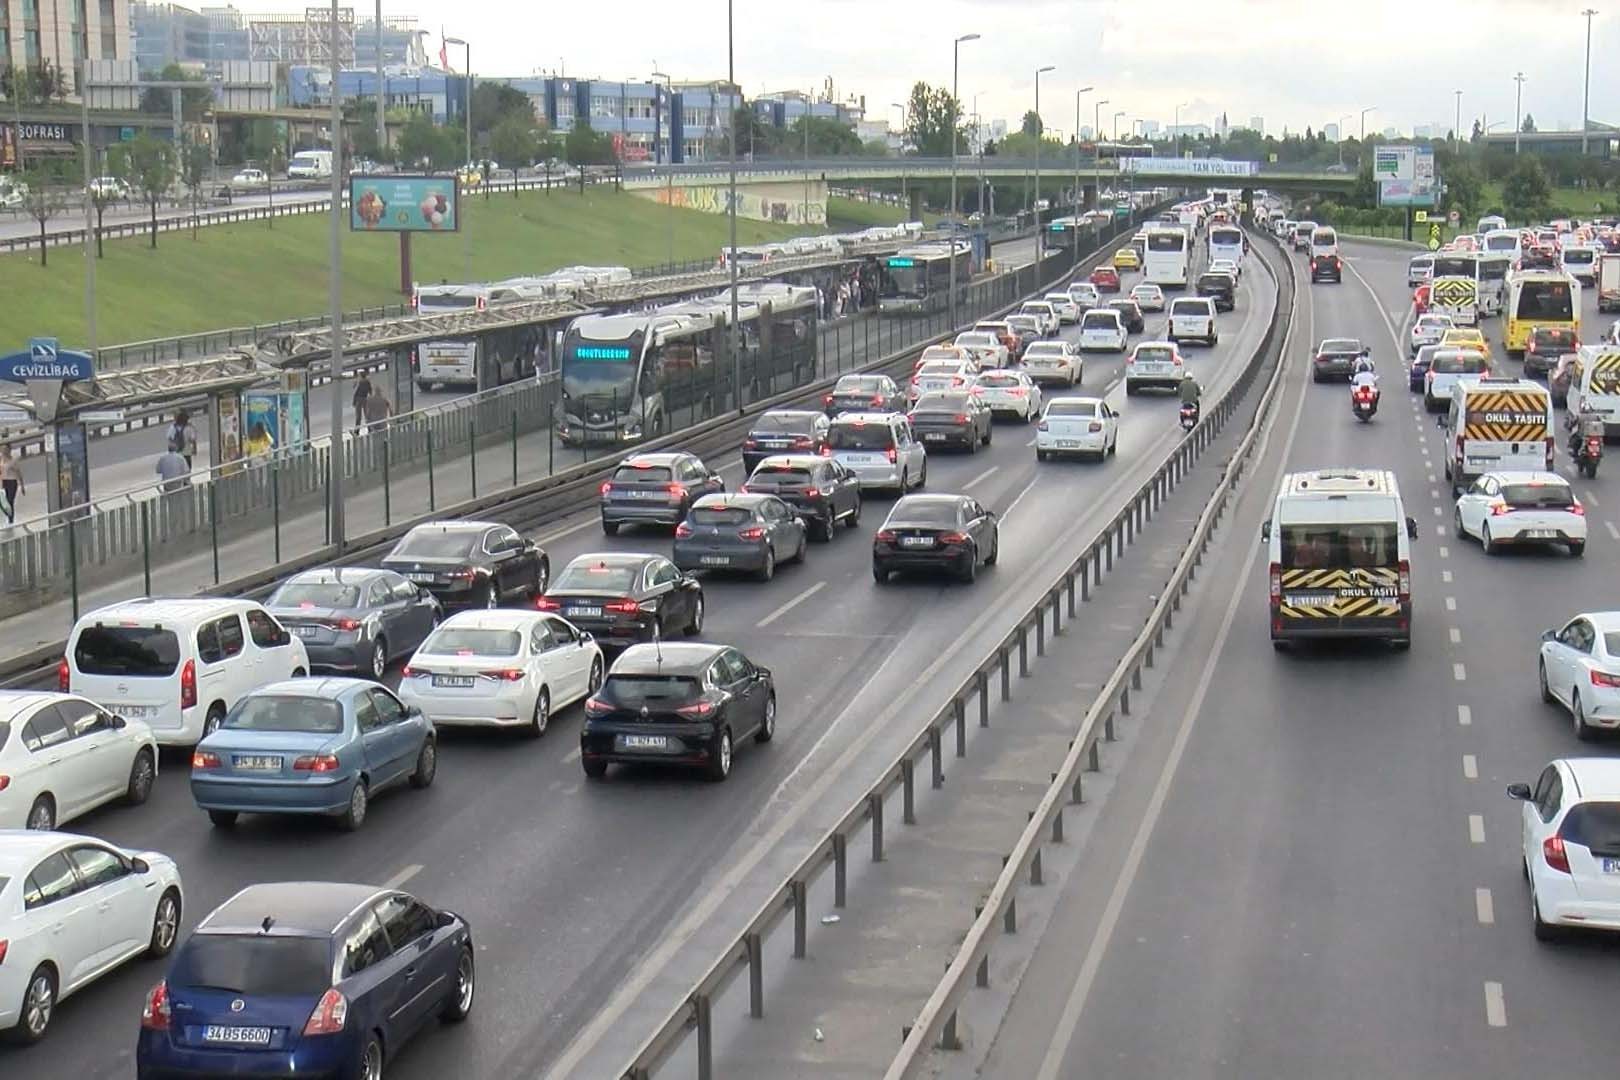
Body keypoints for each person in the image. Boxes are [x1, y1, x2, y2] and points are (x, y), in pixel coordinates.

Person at [0, 445, 22, 524]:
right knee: (4, 502)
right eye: (2, 449)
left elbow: (18, 472)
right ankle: (8, 514)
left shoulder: (13, 460)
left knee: (10, 500)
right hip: (4, 482)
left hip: (12, 482)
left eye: (5, 449)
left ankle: (11, 519)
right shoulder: (1, 459)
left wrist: (22, 485)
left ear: (9, 450)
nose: (3, 451)